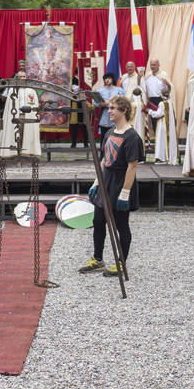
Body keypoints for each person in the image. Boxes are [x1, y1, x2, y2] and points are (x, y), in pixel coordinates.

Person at [79, 95, 144, 278]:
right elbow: (103, 160)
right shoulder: (109, 133)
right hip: (105, 182)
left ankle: (121, 263)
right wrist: (96, 183)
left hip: (120, 183)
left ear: (124, 111)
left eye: (113, 108)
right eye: (109, 108)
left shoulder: (132, 137)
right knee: (98, 222)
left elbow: (132, 167)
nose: (109, 111)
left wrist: (125, 194)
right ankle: (98, 259)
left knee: (121, 226)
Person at [0, 71, 41, 158]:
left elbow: (35, 105)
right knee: (16, 135)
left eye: (24, 76)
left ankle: (26, 152)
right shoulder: (12, 90)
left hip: (28, 116)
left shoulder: (31, 90)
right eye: (21, 76)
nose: (23, 78)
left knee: (27, 134)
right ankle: (15, 154)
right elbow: (8, 105)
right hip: (16, 115)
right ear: (17, 78)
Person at [118, 61, 147, 148]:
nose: (129, 68)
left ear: (134, 67)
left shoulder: (139, 77)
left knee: (136, 127)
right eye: (128, 67)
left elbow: (142, 90)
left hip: (135, 105)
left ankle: (138, 148)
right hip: (124, 106)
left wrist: (139, 79)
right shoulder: (123, 77)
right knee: (125, 128)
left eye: (131, 66)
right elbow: (120, 90)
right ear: (126, 68)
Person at [148, 85, 178, 165]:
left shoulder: (162, 103)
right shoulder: (170, 102)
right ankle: (166, 157)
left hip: (162, 124)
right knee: (165, 141)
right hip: (168, 125)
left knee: (161, 141)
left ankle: (162, 158)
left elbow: (159, 114)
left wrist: (150, 111)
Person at [94, 73, 125, 138]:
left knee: (115, 138)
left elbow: (123, 101)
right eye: (105, 79)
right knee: (104, 137)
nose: (107, 80)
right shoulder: (100, 90)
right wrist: (100, 104)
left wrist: (113, 104)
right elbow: (95, 103)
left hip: (116, 117)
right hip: (104, 116)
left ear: (112, 79)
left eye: (109, 78)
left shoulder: (118, 90)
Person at [143, 59, 171, 130]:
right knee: (154, 121)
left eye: (154, 65)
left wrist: (167, 83)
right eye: (151, 65)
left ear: (158, 65)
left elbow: (170, 88)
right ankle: (156, 138)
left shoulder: (163, 74)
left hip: (161, 100)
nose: (152, 66)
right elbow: (144, 88)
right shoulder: (148, 75)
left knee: (161, 120)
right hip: (151, 100)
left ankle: (163, 138)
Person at [69, 76, 88, 148]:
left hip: (83, 104)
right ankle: (73, 143)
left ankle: (86, 143)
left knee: (85, 126)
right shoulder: (72, 78)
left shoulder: (84, 76)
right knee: (74, 126)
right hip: (73, 103)